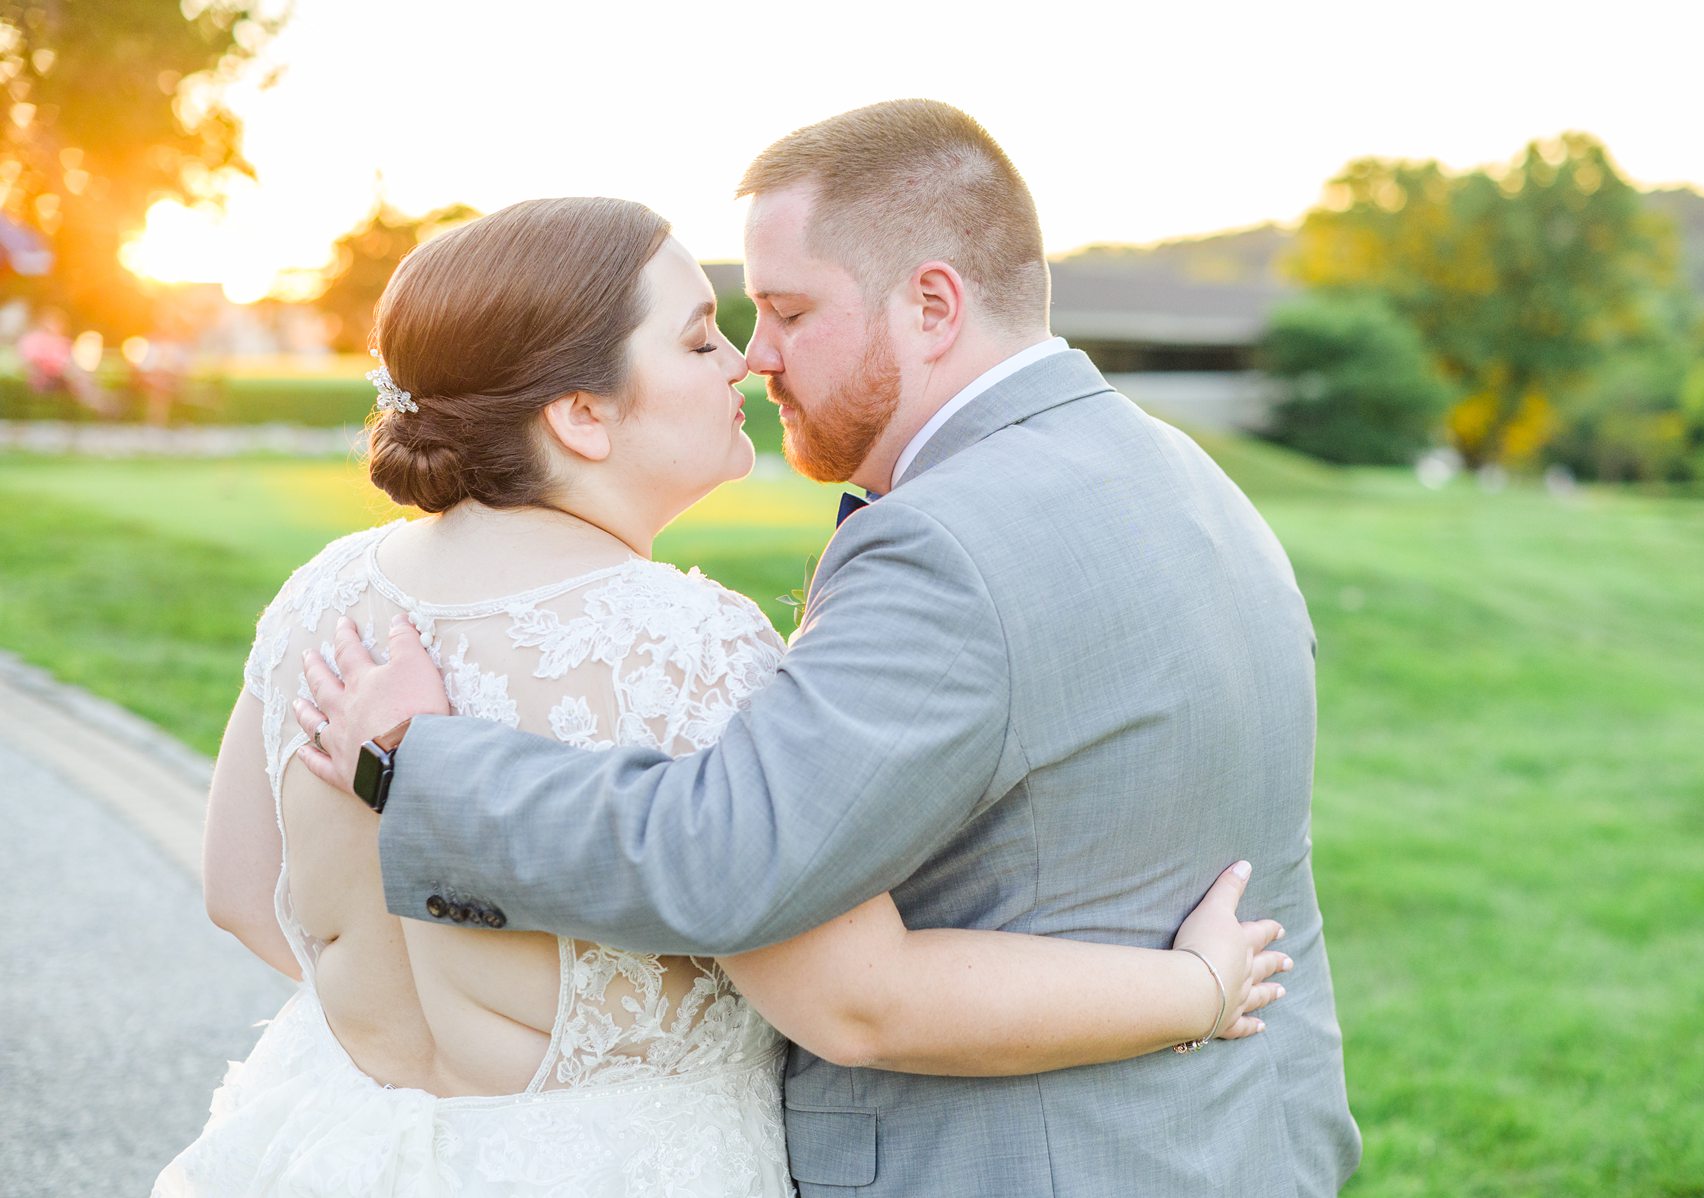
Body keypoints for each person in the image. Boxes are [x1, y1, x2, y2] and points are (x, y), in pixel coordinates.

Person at [301, 100, 1361, 1195]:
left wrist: (415, 760)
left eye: (788, 310)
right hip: (1238, 1143)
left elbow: (732, 859)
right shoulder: (1185, 475)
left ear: (933, 306)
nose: (756, 357)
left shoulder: (949, 542)